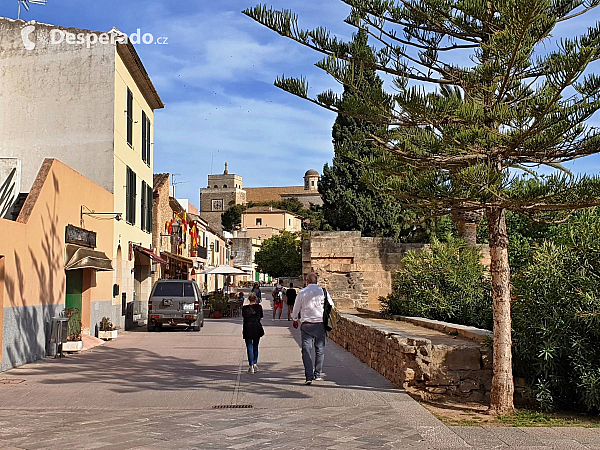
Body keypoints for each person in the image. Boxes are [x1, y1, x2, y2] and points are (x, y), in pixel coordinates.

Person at [292, 273, 334, 385]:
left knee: (306, 350)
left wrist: (295, 319)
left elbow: (296, 307)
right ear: (316, 281)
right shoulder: (323, 291)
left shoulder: (302, 292)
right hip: (320, 324)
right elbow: (331, 305)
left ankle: (308, 376)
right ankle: (318, 374)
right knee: (319, 350)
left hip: (307, 325)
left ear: (307, 281)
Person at [242, 293, 264, 374]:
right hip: (256, 327)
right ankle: (255, 363)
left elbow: (244, 316)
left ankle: (251, 366)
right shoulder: (259, 307)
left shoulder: (244, 308)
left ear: (249, 299)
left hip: (247, 328)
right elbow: (261, 316)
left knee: (249, 346)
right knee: (255, 346)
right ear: (256, 299)